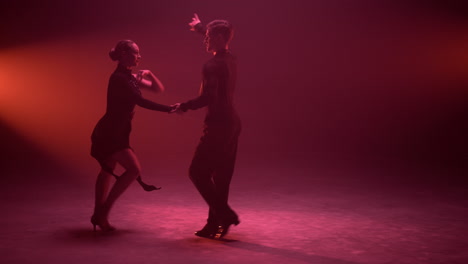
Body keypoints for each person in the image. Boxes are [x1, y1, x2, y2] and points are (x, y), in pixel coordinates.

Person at [90, 40, 174, 231]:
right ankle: (102, 213)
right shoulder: (119, 78)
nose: (139, 56)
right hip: (111, 131)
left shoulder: (129, 78)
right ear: (125, 54)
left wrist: (150, 73)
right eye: (136, 53)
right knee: (133, 169)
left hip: (117, 130)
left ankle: (99, 215)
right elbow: (141, 101)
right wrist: (169, 109)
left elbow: (157, 89)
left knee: (107, 170)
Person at [174, 14, 241, 239]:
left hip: (218, 124)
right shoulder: (230, 58)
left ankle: (224, 214)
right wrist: (202, 28)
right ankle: (213, 225)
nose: (205, 41)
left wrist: (184, 105)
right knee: (221, 175)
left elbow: (208, 97)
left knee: (197, 172)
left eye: (209, 37)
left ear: (220, 37)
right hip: (232, 123)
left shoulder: (212, 65)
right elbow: (219, 39)